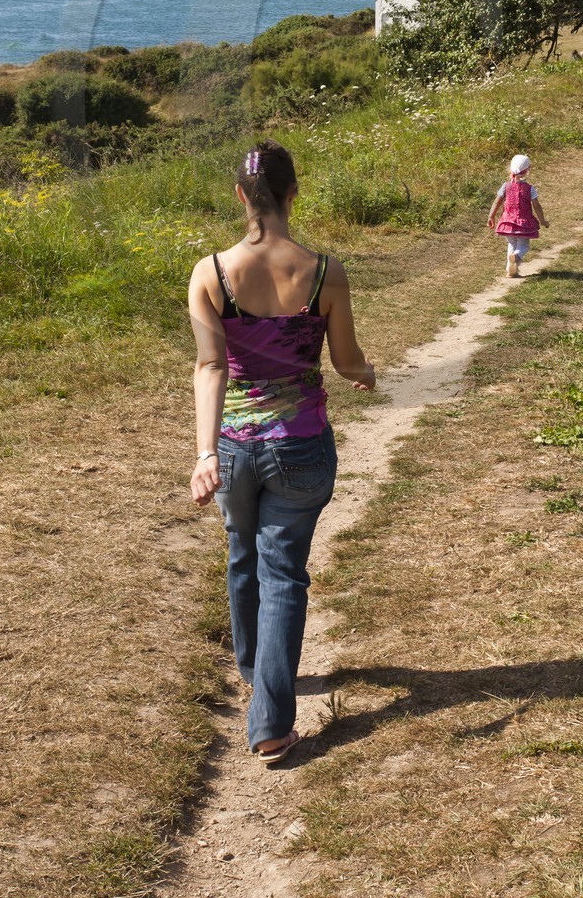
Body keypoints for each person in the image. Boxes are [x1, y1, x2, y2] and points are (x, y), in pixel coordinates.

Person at [188, 140, 375, 765]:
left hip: (235, 449)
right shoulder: (324, 271)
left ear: (241, 196)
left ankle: (255, 670)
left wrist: (205, 453)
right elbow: (345, 360)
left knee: (244, 556)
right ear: (295, 193)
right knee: (284, 571)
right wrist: (365, 373)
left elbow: (211, 367)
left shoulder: (209, 273)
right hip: (300, 448)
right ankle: (270, 721)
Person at [487, 152, 549, 277]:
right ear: (527, 171)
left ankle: (510, 270)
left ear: (510, 169)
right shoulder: (529, 188)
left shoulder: (505, 186)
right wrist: (542, 220)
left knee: (512, 244)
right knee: (524, 246)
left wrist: (491, 216)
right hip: (523, 223)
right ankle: (516, 257)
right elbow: (536, 205)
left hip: (507, 222)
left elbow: (497, 202)